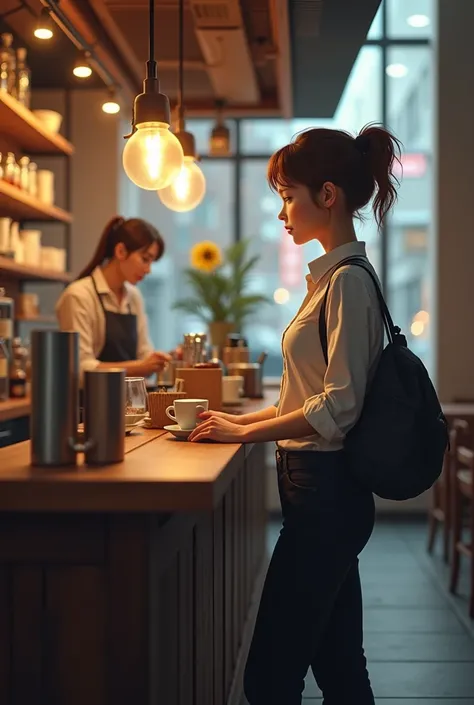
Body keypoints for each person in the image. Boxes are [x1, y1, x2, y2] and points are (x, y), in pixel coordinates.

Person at [188, 123, 402, 704]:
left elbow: (338, 408)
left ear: (327, 196)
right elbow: (310, 397)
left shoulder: (348, 284)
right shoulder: (326, 281)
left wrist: (245, 429)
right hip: (315, 494)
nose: (282, 210)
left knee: (269, 678)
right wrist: (247, 424)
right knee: (339, 669)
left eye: (288, 195)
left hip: (327, 497)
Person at [56, 216, 171, 381]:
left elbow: (144, 353)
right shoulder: (78, 296)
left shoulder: (134, 297)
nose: (148, 270)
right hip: (90, 402)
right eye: (145, 259)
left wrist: (163, 359)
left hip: (131, 403)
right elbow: (80, 368)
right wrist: (140, 367)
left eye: (151, 262)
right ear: (120, 251)